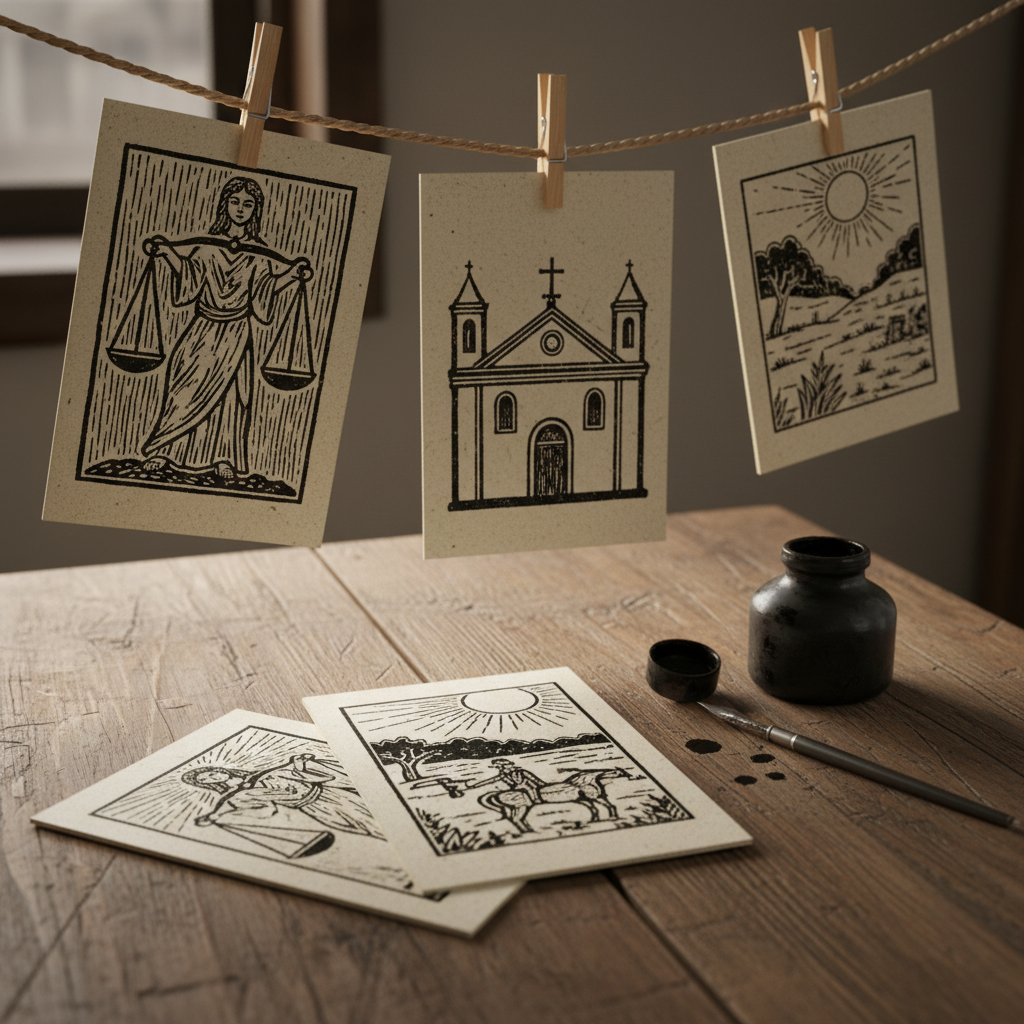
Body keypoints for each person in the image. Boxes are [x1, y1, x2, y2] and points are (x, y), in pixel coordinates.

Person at [139, 176, 311, 481]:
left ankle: (223, 456)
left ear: (255, 210)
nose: (241, 209)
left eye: (248, 204)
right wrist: (168, 254)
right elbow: (190, 279)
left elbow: (265, 291)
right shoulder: (208, 247)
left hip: (235, 334)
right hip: (202, 330)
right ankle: (166, 448)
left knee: (229, 398)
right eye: (235, 202)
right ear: (225, 205)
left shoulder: (259, 254)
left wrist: (291, 275)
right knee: (183, 389)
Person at [183, 753, 383, 839]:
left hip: (331, 794)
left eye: (211, 772)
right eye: (207, 779)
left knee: (378, 815)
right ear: (207, 784)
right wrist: (216, 816)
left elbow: (293, 774)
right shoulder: (235, 796)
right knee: (363, 827)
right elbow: (264, 811)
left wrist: (298, 763)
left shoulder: (257, 775)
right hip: (314, 807)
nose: (213, 776)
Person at [463, 758, 545, 803]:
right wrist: (474, 786)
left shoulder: (521, 772)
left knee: (529, 786)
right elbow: (490, 780)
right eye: (498, 768)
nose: (500, 769)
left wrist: (542, 784)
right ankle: (534, 800)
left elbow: (534, 779)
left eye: (500, 767)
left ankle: (536, 799)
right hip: (518, 788)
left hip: (527, 787)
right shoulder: (503, 775)